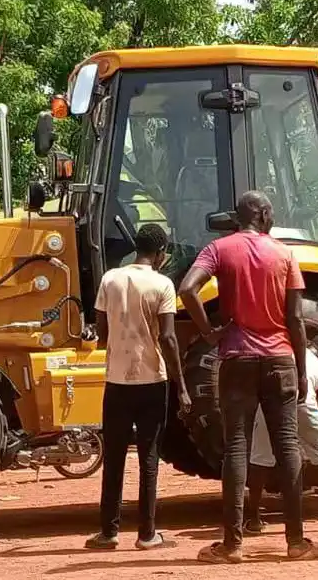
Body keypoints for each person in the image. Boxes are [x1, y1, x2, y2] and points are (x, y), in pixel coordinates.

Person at [179, 191, 318, 564]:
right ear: (261, 214)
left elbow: (187, 289)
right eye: (270, 212)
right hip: (280, 361)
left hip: (237, 360)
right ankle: (296, 541)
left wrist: (209, 332)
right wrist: (301, 368)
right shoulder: (285, 254)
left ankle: (232, 544)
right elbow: (295, 319)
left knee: (237, 448)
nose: (272, 216)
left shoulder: (219, 249)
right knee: (288, 447)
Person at [85, 224, 191, 551]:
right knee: (149, 458)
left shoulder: (110, 279)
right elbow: (168, 337)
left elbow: (102, 331)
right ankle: (147, 534)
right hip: (152, 381)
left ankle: (108, 532)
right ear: (160, 253)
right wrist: (181, 385)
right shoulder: (163, 284)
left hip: (116, 381)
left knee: (114, 457)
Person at [244, 335, 318, 534]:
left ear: (310, 344)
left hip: (269, 405)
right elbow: (317, 395)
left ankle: (254, 519)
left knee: (260, 461)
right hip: (303, 405)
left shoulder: (291, 353)